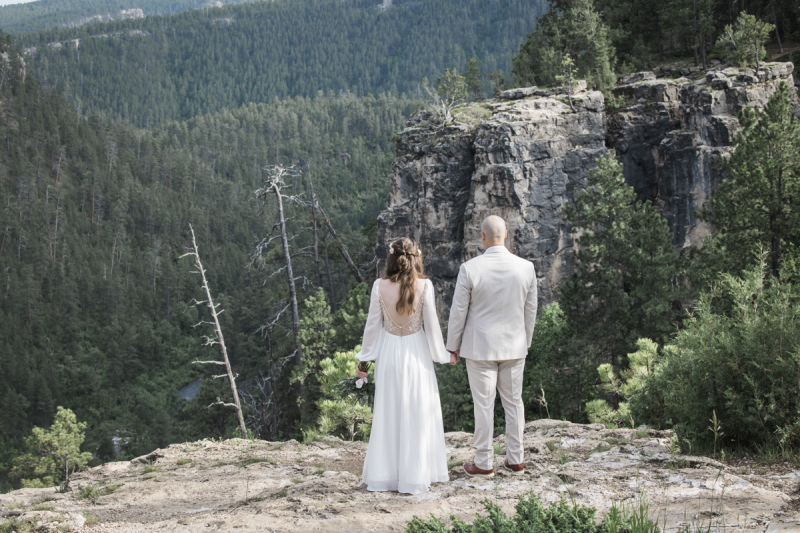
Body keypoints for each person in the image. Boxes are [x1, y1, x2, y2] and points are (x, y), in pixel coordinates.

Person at [354, 237, 452, 494]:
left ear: (391, 258)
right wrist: (443, 355)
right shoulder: (425, 286)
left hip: (388, 354)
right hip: (416, 354)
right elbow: (431, 327)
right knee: (417, 411)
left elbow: (372, 328)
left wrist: (363, 362)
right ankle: (416, 474)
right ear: (415, 258)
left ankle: (386, 475)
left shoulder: (379, 286)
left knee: (388, 413)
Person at [446, 215, 538, 477]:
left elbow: (458, 312)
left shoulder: (470, 268)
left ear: (482, 237)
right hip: (514, 346)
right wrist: (525, 342)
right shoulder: (526, 268)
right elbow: (530, 311)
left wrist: (453, 346)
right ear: (506, 234)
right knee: (514, 403)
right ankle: (516, 459)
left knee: (483, 405)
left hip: (479, 349)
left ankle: (484, 462)